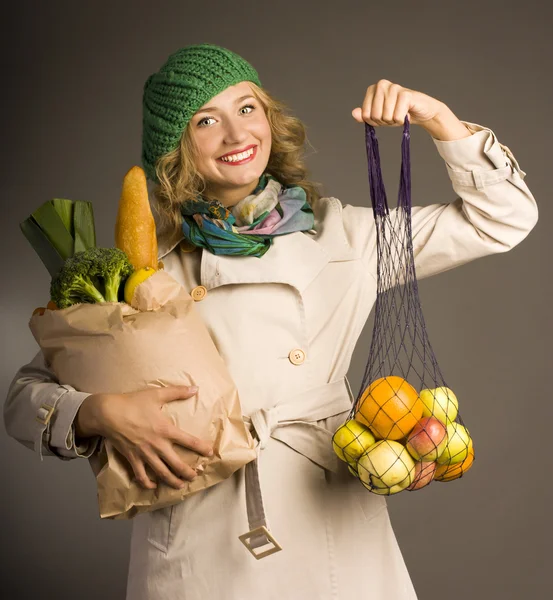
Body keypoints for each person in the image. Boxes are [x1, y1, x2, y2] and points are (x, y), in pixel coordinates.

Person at [4, 43, 538, 600]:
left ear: (269, 119)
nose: (237, 136)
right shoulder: (142, 268)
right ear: (176, 150)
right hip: (200, 536)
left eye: (247, 108)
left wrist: (438, 120)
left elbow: (502, 219)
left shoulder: (343, 235)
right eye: (207, 121)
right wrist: (100, 412)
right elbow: (24, 398)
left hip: (331, 520)